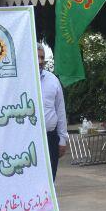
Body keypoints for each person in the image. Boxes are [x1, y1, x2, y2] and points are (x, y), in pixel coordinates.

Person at [37, 45, 68, 178]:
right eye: (36, 56)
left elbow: (60, 111)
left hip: (50, 138)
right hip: (29, 139)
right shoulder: (19, 80)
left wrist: (62, 139)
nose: (39, 60)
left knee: (50, 178)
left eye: (42, 57)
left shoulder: (52, 80)